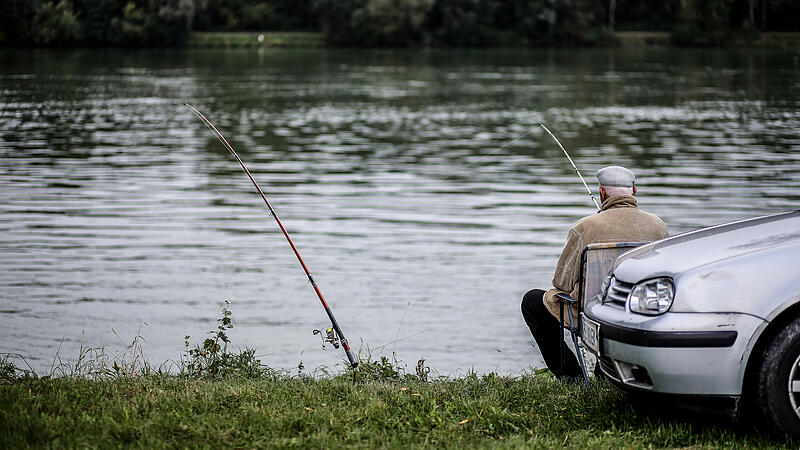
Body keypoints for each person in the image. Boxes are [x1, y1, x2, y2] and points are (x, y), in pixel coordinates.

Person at [521, 166, 669, 379]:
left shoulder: (585, 227)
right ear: (634, 191)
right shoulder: (658, 226)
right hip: (640, 312)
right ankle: (606, 373)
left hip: (591, 315)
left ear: (601, 193)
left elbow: (561, 282)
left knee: (532, 302)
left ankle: (572, 376)